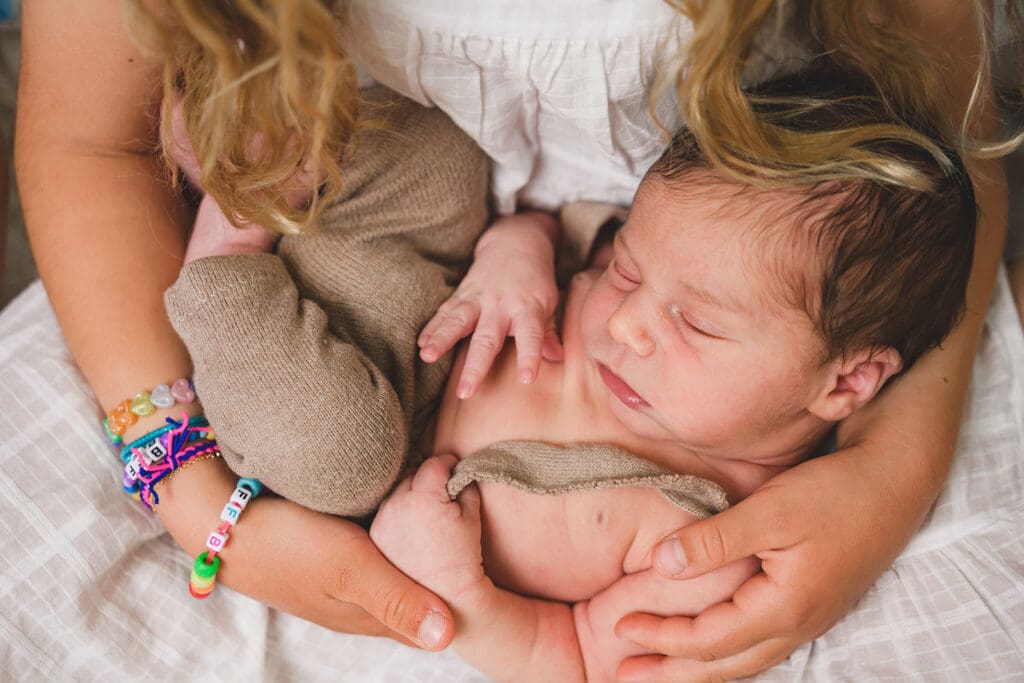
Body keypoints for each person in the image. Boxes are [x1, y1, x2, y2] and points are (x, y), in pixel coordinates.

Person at [15, 1, 1015, 679]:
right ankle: (263, 165)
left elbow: (572, 654)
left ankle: (227, 247)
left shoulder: (708, 541)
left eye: (694, 321)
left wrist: (460, 593)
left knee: (336, 455)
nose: (622, 313)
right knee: (446, 172)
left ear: (845, 384)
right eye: (629, 267)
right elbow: (572, 228)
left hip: (375, 424)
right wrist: (518, 252)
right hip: (420, 275)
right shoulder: (684, 261)